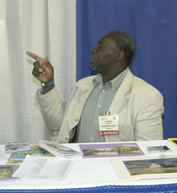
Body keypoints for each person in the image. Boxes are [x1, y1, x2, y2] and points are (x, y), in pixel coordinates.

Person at [27, 31, 164, 143]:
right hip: (78, 166)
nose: (93, 50)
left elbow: (149, 152)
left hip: (116, 168)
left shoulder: (146, 95)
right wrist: (48, 83)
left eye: (99, 47)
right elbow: (57, 125)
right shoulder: (82, 86)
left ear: (118, 54)